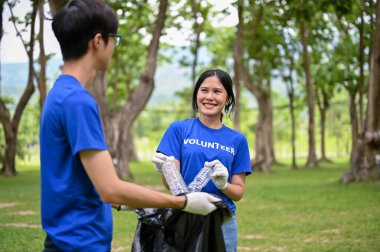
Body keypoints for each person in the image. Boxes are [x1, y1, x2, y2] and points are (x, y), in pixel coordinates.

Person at [39, 1, 221, 251]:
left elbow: (81, 178)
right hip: (79, 243)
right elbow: (109, 188)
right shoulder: (77, 102)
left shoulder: (59, 93)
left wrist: (130, 201)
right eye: (115, 39)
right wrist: (183, 202)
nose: (114, 47)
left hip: (64, 238)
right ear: (98, 41)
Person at [153, 69, 252, 252]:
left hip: (222, 223)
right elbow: (169, 185)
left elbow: (238, 193)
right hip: (184, 219)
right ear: (197, 94)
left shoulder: (238, 140)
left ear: (228, 98)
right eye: (204, 90)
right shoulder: (179, 130)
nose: (209, 97)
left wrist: (223, 185)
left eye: (217, 91)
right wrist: (167, 170)